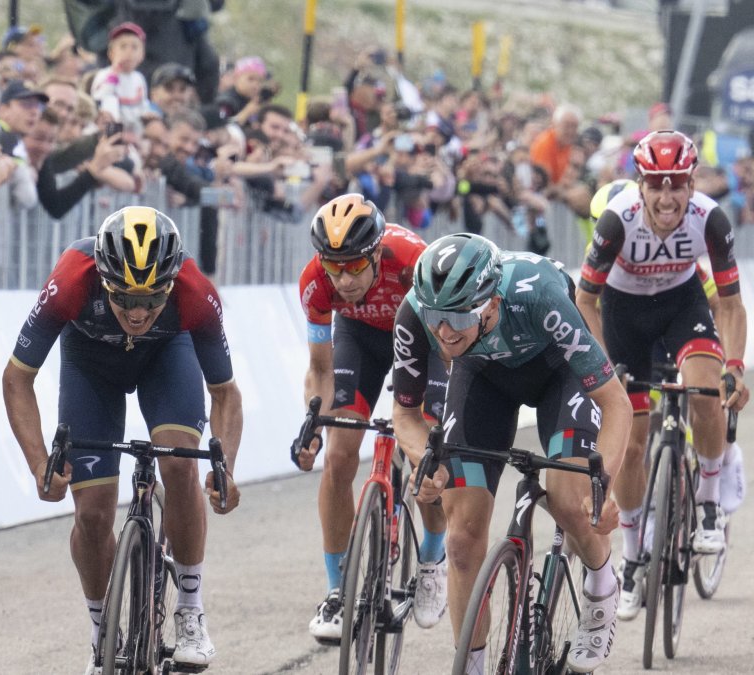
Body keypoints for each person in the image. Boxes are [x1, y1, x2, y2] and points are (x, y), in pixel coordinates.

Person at [1, 206, 242, 673]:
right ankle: (102, 634)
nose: (137, 312)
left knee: (179, 464)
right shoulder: (72, 278)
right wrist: (38, 464)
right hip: (90, 364)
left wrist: (224, 467)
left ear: (170, 285)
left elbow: (225, 394)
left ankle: (190, 606)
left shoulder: (194, 291)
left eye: (152, 300)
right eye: (124, 298)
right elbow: (16, 379)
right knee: (91, 514)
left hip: (166, 358)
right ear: (103, 279)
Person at [394, 233, 631, 674]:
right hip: (482, 377)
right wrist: (423, 465)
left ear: (491, 304)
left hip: (556, 372)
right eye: (436, 316)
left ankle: (601, 581)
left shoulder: (539, 296)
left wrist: (603, 486)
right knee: (462, 538)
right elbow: (405, 416)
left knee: (568, 501)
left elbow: (617, 403)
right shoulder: (414, 312)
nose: (443, 331)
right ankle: (474, 664)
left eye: (457, 315)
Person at [576, 130, 750, 620]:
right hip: (624, 315)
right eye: (658, 185)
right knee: (631, 443)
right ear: (641, 184)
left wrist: (734, 366)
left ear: (692, 185)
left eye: (678, 184)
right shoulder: (617, 220)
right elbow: (586, 301)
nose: (668, 196)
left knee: (705, 390)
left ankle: (710, 505)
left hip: (681, 306)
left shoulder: (709, 219)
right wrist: (604, 367)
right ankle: (633, 557)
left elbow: (732, 306)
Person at [293, 194, 449, 643]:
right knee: (339, 458)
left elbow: (449, 348)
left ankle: (433, 557)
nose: (343, 280)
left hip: (422, 338)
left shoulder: (415, 263)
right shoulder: (315, 282)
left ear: (377, 254)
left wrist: (430, 417)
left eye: (354, 267)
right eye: (333, 266)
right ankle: (337, 591)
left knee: (423, 457)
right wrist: (313, 423)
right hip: (359, 338)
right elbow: (321, 370)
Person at [90, 22, 150, 133]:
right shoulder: (104, 74)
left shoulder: (139, 78)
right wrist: (114, 76)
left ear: (142, 55)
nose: (129, 52)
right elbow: (99, 97)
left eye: (134, 47)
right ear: (111, 53)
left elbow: (143, 104)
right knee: (110, 100)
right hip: (110, 127)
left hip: (133, 129)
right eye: (123, 47)